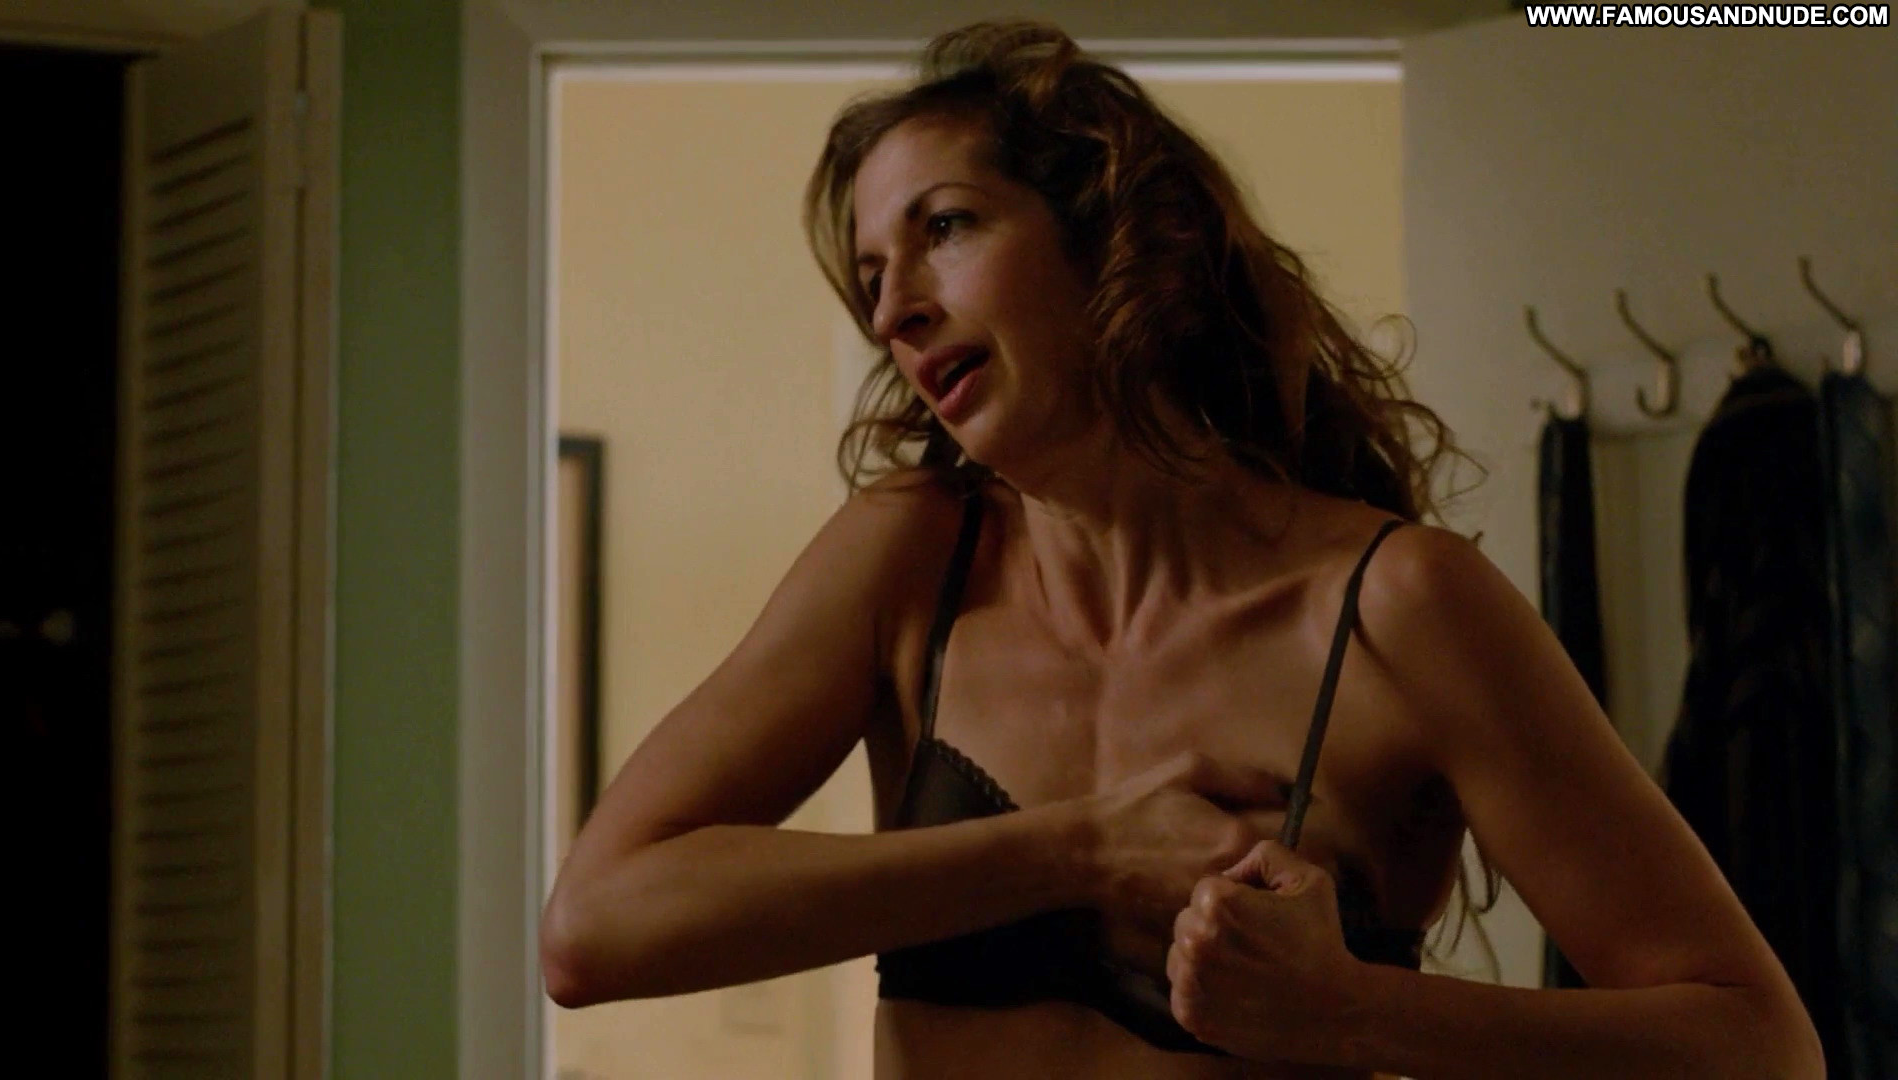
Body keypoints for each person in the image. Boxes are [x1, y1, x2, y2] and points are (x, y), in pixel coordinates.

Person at [541, 20, 1823, 1080]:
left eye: (945, 227)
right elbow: (594, 931)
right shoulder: (909, 559)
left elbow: (1758, 1046)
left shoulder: (1397, 606)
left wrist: (1355, 1016)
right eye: (871, 273)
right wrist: (1078, 848)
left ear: (1110, 232)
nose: (893, 310)